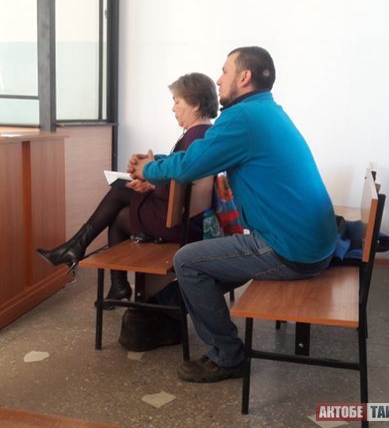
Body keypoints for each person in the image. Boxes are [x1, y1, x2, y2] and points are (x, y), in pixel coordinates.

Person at [127, 46, 338, 383]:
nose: (218, 79)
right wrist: (157, 165)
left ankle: (228, 356)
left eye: (224, 71)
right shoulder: (265, 111)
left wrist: (150, 168)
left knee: (187, 262)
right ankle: (175, 311)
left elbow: (191, 166)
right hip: (312, 243)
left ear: (244, 77)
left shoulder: (242, 118)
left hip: (289, 250)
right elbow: (201, 157)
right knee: (199, 272)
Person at [37, 72, 219, 302]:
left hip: (180, 225)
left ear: (195, 104)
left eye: (177, 101)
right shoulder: (206, 134)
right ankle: (112, 280)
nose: (173, 108)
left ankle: (78, 249)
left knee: (120, 193)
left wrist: (150, 184)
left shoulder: (195, 137)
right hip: (192, 221)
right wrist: (151, 183)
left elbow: (180, 191)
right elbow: (182, 184)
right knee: (120, 211)